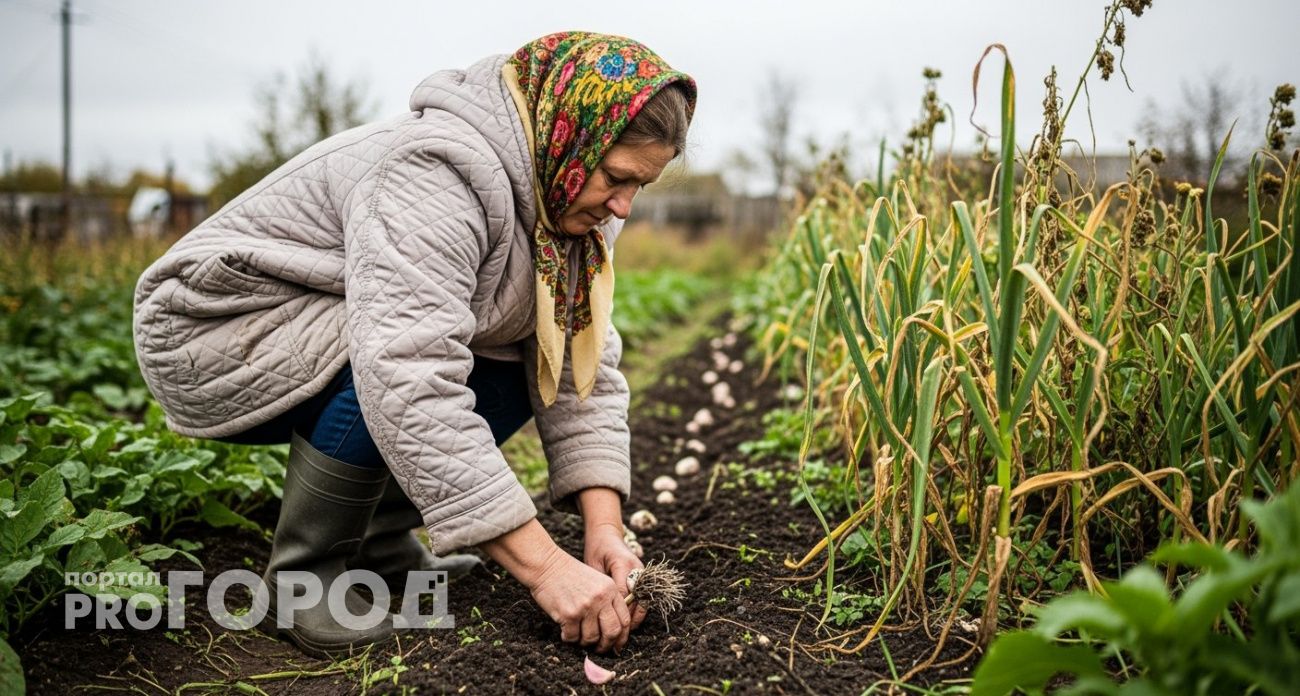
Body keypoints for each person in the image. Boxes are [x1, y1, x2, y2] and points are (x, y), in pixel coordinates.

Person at [132, 31, 696, 657]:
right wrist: (546, 568)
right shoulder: (437, 170)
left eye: (639, 185)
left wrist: (604, 529)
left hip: (334, 321)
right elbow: (406, 367)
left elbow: (573, 368)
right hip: (220, 325)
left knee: (520, 350)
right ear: (569, 135)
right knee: (401, 348)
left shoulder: (571, 201)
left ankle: (379, 538)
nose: (623, 205)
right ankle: (303, 579)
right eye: (616, 177)